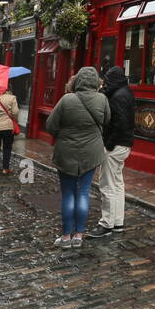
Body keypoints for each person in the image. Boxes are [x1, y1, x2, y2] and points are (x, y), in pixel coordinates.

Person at [45, 67, 109, 249]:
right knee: (83, 192)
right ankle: (79, 235)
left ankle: (66, 237)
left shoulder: (67, 99)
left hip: (67, 151)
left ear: (78, 81)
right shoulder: (102, 99)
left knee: (68, 194)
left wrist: (64, 134)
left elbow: (50, 125)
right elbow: (107, 120)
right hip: (91, 152)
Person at [88, 66, 134, 239]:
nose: (105, 83)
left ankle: (106, 223)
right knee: (117, 184)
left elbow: (119, 124)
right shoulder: (125, 92)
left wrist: (108, 145)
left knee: (107, 185)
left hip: (115, 147)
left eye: (107, 79)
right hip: (124, 145)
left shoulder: (118, 97)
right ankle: (117, 222)